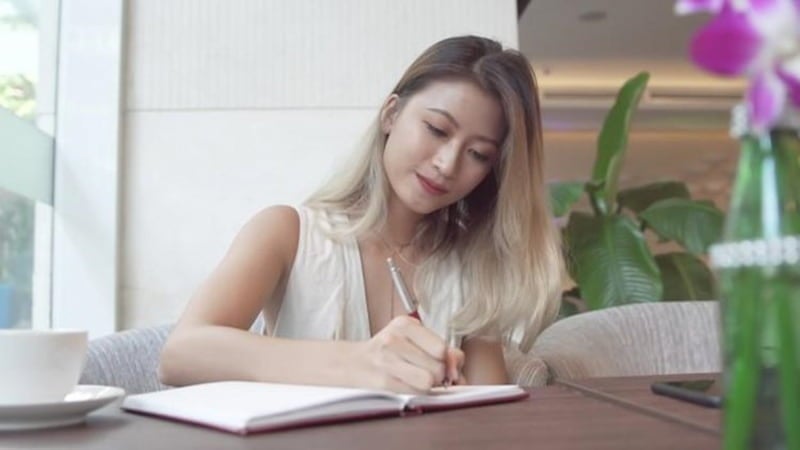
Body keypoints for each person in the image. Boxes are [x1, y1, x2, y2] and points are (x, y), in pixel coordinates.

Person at [159, 35, 564, 394]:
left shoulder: (469, 267)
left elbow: (489, 417)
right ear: (391, 115)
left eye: (478, 154)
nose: (447, 163)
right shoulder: (286, 232)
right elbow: (181, 354)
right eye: (437, 130)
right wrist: (358, 363)